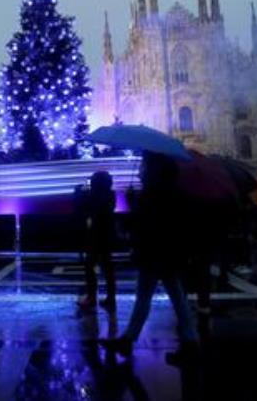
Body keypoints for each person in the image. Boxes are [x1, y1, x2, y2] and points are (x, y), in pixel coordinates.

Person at [100, 152, 199, 363]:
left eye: (145, 167)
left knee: (155, 297)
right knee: (170, 297)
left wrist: (129, 206)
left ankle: (187, 342)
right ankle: (187, 342)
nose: (141, 171)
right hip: (167, 253)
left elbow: (143, 223)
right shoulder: (172, 193)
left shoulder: (151, 195)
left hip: (154, 253)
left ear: (154, 172)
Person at [78, 171, 117, 312]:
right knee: (108, 267)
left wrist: (80, 194)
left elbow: (83, 209)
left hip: (95, 235)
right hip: (108, 234)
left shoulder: (93, 196)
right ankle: (111, 298)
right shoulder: (111, 195)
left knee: (90, 267)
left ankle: (91, 298)